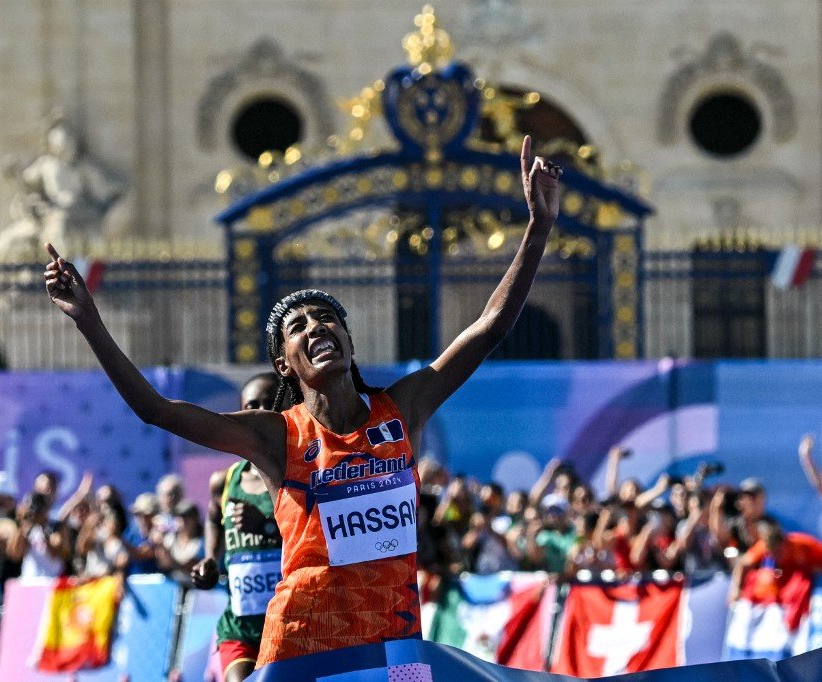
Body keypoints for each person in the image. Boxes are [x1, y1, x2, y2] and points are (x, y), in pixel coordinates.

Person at [44, 135, 560, 666]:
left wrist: (537, 230)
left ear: (349, 341)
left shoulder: (403, 409)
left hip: (399, 648)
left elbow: (489, 327)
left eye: (328, 318)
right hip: (301, 650)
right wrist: (89, 321)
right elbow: (157, 410)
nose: (317, 326)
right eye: (298, 326)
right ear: (285, 364)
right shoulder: (276, 435)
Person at [190, 372, 284, 682]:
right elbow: (213, 517)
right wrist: (210, 558)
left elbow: (318, 532)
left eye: (269, 404)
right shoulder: (226, 480)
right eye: (251, 405)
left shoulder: (298, 475)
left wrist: (268, 526)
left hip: (292, 624)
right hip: (240, 626)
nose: (259, 412)